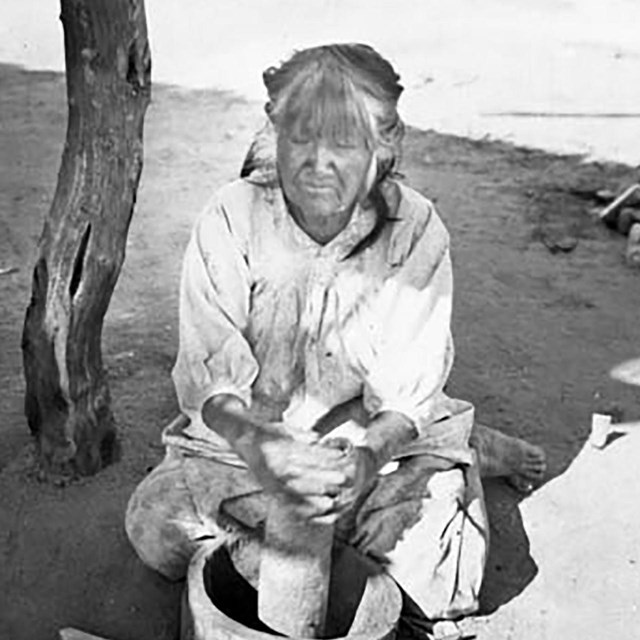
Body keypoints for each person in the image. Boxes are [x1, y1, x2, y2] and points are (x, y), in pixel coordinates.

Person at [125, 43, 546, 636]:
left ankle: (464, 447)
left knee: (440, 584)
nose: (319, 163)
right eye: (302, 136)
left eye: (345, 142)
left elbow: (406, 390)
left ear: (382, 150)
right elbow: (209, 376)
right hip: (251, 437)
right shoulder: (231, 216)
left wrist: (370, 462)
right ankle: (441, 454)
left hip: (372, 435)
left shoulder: (415, 230)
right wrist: (262, 450)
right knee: (155, 529)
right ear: (277, 133)